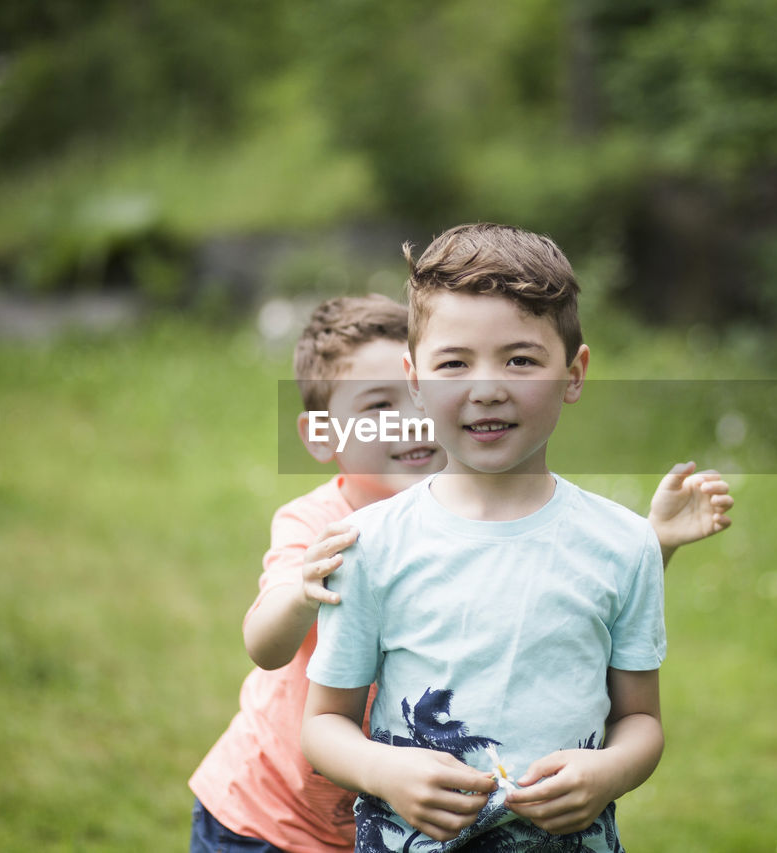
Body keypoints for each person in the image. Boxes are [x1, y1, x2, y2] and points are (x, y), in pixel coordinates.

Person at [189, 290, 734, 852]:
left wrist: (654, 543)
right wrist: (302, 592)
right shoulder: (321, 524)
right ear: (324, 434)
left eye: (415, 398)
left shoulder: (479, 515)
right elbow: (264, 645)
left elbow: (569, 603)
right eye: (378, 408)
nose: (410, 423)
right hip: (270, 813)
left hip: (408, 819)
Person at [301, 224, 706, 852]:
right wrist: (385, 771)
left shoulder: (626, 546)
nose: (486, 387)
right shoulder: (370, 542)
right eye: (454, 362)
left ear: (574, 374)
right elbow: (324, 723)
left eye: (520, 359)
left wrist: (608, 772)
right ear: (415, 379)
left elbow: (641, 721)